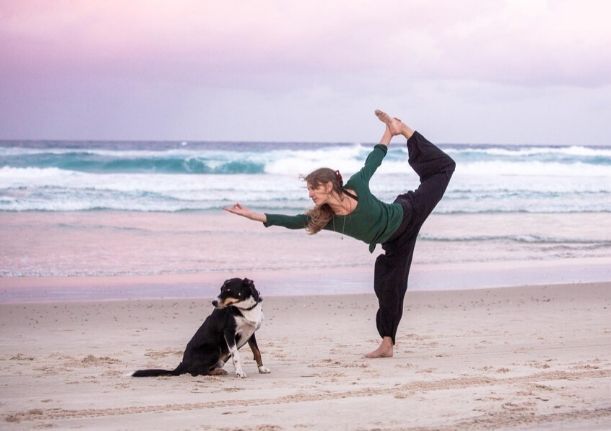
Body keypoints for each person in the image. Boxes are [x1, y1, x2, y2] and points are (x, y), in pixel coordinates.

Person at [225, 110, 456, 358]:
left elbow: (375, 158)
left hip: (408, 212)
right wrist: (253, 215)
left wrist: (392, 130)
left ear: (327, 185)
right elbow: (292, 221)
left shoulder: (356, 185)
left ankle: (405, 128)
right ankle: (387, 344)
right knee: (389, 287)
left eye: (313, 189)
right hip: (394, 243)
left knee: (444, 167)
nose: (310, 194)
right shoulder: (326, 218)